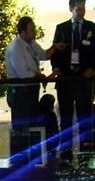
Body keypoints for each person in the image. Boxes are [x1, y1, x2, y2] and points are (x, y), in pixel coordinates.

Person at [5, 16, 64, 167]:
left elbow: (43, 55)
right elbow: (23, 73)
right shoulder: (15, 48)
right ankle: (20, 164)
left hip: (31, 91)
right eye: (31, 30)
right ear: (23, 32)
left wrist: (55, 47)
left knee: (32, 126)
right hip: (20, 93)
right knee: (22, 128)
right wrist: (40, 76)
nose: (34, 33)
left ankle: (33, 160)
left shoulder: (30, 44)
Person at [51, 0, 95, 157]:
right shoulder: (61, 28)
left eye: (83, 8)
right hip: (66, 79)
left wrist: (91, 68)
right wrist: (56, 68)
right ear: (71, 9)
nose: (82, 11)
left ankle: (85, 153)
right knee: (66, 119)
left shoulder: (93, 28)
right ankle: (66, 153)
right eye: (79, 8)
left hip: (84, 79)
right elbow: (55, 51)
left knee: (84, 117)